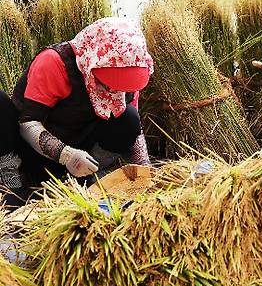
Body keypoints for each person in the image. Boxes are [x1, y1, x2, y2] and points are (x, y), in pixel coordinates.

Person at [0, 17, 154, 208]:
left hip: (82, 150)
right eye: (108, 84)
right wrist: (66, 155)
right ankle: (12, 182)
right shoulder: (54, 63)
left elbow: (134, 129)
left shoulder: (128, 74)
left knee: (129, 119)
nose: (114, 92)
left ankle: (89, 179)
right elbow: (28, 123)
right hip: (32, 151)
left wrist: (146, 172)